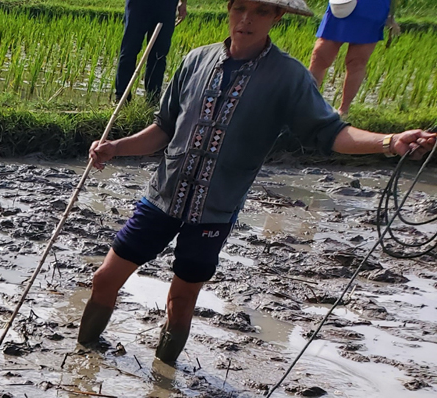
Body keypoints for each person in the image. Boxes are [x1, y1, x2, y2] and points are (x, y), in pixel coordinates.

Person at [77, 0, 434, 368]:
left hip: (214, 210)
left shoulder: (289, 77)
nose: (247, 19)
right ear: (229, 9)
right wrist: (115, 147)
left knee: (181, 301)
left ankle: (162, 380)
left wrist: (389, 142)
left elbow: (331, 133)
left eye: (261, 11)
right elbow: (163, 129)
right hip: (162, 197)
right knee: (105, 278)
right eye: (241, 7)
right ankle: (83, 359)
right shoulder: (196, 61)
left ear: (277, 17)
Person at [308, 0, 399, 116]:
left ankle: (343, 111)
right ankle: (306, 102)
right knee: (320, 55)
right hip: (343, 4)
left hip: (372, 7)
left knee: (357, 62)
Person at [116, 0, 189, 105]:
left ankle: (152, 99)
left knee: (159, 55)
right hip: (138, 5)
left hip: (166, 5)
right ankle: (121, 98)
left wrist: (183, 2)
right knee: (129, 50)